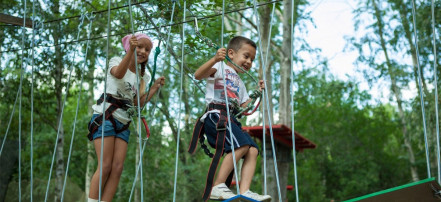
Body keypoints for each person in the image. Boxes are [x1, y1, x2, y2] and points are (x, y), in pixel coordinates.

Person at [87, 33, 165, 202]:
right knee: (105, 165)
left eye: (147, 50)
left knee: (117, 168)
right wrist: (130, 52)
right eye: (139, 47)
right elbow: (119, 74)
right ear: (129, 47)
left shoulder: (144, 76)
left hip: (123, 122)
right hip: (105, 116)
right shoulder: (116, 61)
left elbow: (137, 103)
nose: (143, 51)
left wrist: (154, 87)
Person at [192, 36, 271, 201]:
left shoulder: (240, 83)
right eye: (246, 56)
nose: (249, 61)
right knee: (241, 145)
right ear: (231, 53)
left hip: (230, 119)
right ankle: (218, 185)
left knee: (253, 149)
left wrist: (257, 93)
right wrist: (214, 58)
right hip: (216, 116)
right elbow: (198, 75)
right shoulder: (219, 67)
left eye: (252, 59)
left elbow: (243, 108)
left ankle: (245, 190)